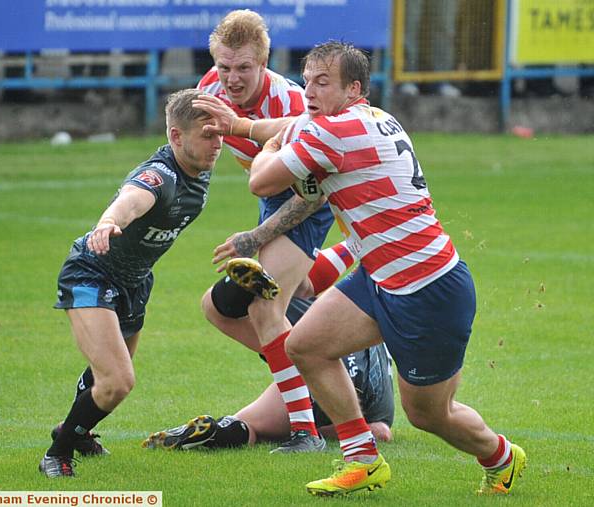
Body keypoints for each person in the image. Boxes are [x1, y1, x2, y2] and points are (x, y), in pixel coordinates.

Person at [223, 41, 527, 497]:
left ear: (353, 88)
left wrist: (263, 146)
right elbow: (293, 124)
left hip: (428, 289)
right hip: (382, 277)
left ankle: (501, 456)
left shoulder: (335, 132)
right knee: (304, 345)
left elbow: (260, 181)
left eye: (322, 83)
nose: (309, 90)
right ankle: (362, 460)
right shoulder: (370, 116)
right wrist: (245, 124)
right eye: (306, 80)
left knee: (429, 414)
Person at [39, 88, 223, 478]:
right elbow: (132, 198)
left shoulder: (200, 166)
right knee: (118, 381)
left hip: (135, 283)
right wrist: (109, 222)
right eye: (208, 135)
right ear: (176, 137)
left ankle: (78, 430)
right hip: (92, 274)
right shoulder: (162, 176)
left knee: (105, 376)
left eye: (221, 133)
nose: (218, 143)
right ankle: (57, 453)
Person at [196, 9, 335, 453]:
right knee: (216, 307)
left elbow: (313, 197)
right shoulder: (209, 91)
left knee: (262, 304)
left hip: (311, 202)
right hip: (272, 196)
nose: (232, 79)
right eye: (224, 66)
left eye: (244, 68)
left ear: (264, 63)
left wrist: (256, 238)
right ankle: (304, 374)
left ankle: (306, 432)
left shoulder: (291, 106)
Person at [142, 296, 394, 450]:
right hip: (375, 399)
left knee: (247, 426)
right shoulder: (374, 318)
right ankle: (342, 428)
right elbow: (384, 430)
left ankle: (224, 429)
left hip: (319, 373)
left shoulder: (310, 306)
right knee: (379, 429)